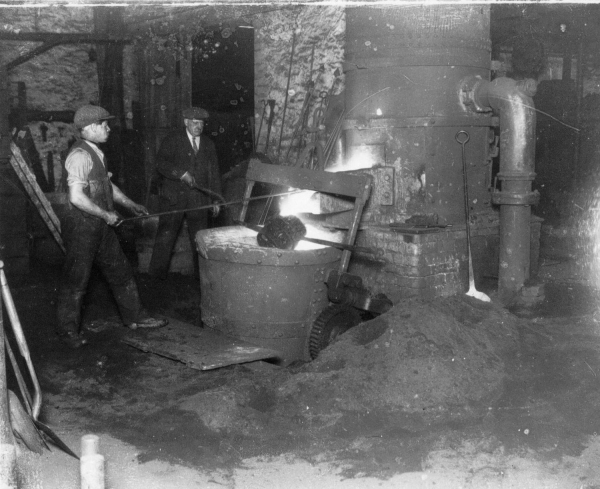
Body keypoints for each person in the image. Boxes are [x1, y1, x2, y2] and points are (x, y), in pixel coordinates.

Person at [56, 105, 168, 349]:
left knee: (120, 271)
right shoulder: (79, 156)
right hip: (81, 227)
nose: (108, 128)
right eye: (103, 124)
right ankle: (67, 332)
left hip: (100, 226)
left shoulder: (97, 152)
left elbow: (107, 186)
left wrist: (131, 204)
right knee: (77, 281)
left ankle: (136, 317)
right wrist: (106, 215)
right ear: (89, 128)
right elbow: (76, 197)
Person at [148, 107, 223, 279]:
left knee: (200, 241)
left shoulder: (209, 145)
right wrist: (181, 174)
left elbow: (214, 174)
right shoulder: (173, 140)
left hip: (198, 200)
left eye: (201, 123)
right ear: (186, 122)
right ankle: (154, 282)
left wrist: (216, 199)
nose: (199, 126)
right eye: (195, 122)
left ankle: (201, 281)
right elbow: (161, 163)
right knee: (165, 240)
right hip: (173, 199)